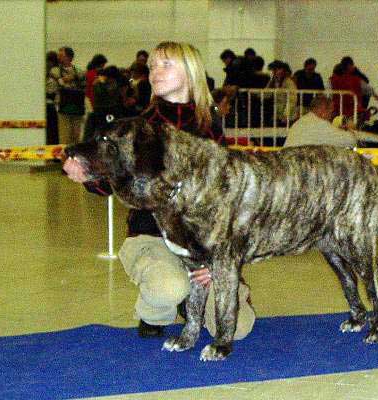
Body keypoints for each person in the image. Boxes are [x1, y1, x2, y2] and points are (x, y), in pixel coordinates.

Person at [63, 41, 255, 341]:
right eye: (152, 66)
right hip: (150, 236)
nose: (154, 71)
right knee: (169, 288)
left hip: (200, 244)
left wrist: (219, 261)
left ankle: (192, 293)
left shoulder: (211, 127)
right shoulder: (137, 128)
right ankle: (155, 311)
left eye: (166, 64)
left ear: (190, 72)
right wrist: (86, 176)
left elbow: (225, 198)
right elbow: (107, 182)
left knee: (239, 328)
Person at [50, 47, 86, 144]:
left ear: (69, 57)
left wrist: (70, 78)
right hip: (63, 106)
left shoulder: (78, 70)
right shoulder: (55, 70)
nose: (59, 58)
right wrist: (72, 78)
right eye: (59, 55)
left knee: (76, 136)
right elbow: (58, 81)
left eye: (62, 55)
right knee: (64, 137)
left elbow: (83, 78)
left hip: (77, 107)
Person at [330, 58, 365, 127]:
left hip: (337, 110)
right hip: (352, 110)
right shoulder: (356, 80)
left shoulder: (332, 80)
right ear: (349, 66)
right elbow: (369, 89)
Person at [266, 60, 297, 126]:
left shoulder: (289, 82)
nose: (275, 72)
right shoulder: (274, 81)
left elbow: (292, 100)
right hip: (278, 115)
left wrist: (286, 115)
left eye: (277, 69)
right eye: (274, 70)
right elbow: (266, 94)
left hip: (287, 117)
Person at [45, 51, 59, 145]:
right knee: (52, 130)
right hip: (50, 105)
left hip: (49, 104)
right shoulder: (52, 74)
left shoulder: (53, 74)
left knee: (51, 130)